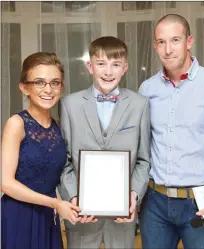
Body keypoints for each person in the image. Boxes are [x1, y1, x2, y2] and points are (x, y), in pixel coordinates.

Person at [138, 14, 204, 249]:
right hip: (154, 204)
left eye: (175, 40)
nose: (168, 49)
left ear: (189, 41)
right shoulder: (147, 89)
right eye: (161, 42)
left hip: (200, 204)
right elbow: (141, 148)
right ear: (155, 46)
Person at [58, 36, 150, 249]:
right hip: (82, 217)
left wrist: (133, 197)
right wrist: (73, 197)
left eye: (115, 65)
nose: (108, 72)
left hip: (122, 218)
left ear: (124, 68)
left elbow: (144, 160)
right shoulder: (69, 105)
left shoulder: (139, 105)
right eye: (101, 64)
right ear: (90, 66)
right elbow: (64, 161)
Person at [1, 52, 81, 249]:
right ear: (24, 88)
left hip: (48, 217)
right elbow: (6, 183)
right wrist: (55, 204)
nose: (48, 89)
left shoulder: (58, 127)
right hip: (19, 216)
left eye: (55, 82)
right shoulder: (16, 124)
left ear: (61, 87)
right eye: (39, 82)